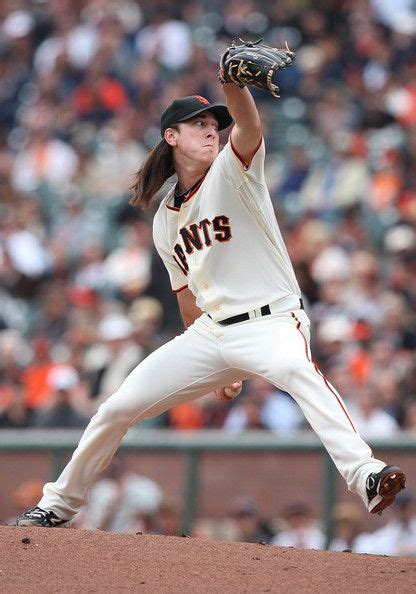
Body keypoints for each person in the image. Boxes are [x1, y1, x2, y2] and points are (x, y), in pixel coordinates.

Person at [16, 54, 405, 528]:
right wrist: (217, 363)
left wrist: (231, 83)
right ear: (171, 136)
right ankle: (56, 505)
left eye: (211, 123)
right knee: (117, 407)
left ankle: (366, 473)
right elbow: (186, 298)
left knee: (295, 369)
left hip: (271, 321)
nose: (210, 130)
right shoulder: (165, 220)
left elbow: (246, 123)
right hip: (211, 332)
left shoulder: (233, 171)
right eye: (196, 124)